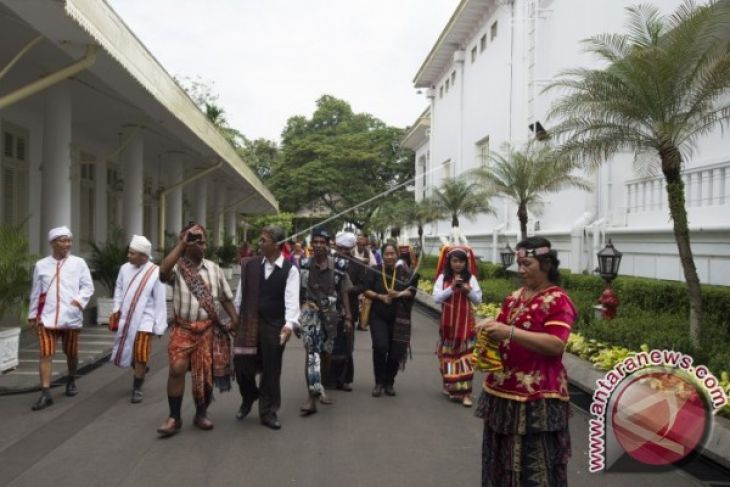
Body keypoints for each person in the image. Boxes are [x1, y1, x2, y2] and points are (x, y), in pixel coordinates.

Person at [474, 237, 576, 487]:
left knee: (535, 462)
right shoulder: (515, 297)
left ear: (546, 264)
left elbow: (556, 344)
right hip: (502, 390)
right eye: (519, 264)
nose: (520, 270)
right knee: (499, 458)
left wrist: (509, 332)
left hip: (538, 396)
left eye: (527, 264)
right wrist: (489, 328)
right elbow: (503, 327)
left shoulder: (557, 300)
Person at [156, 223, 238, 437]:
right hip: (183, 329)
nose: (203, 246)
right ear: (186, 243)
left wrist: (235, 319)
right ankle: (174, 417)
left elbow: (225, 297)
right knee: (176, 369)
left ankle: (201, 413)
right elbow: (162, 273)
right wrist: (181, 245)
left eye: (204, 241)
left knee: (206, 373)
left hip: (208, 329)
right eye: (197, 241)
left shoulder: (214, 268)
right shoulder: (178, 267)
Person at [233, 225, 300, 430]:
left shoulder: (290, 270)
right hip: (249, 322)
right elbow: (240, 296)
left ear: (277, 245)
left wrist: (289, 325)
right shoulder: (250, 266)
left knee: (271, 370)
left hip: (274, 326)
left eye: (264, 240)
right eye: (260, 240)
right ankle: (249, 395)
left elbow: (292, 301)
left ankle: (268, 411)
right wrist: (235, 318)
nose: (259, 244)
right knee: (241, 365)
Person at [28, 226, 94, 410]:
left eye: (69, 241)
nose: (67, 244)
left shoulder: (79, 263)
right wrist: (33, 315)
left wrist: (78, 302)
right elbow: (36, 292)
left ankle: (71, 379)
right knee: (45, 354)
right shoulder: (41, 265)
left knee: (71, 353)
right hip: (46, 318)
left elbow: (88, 287)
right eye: (62, 240)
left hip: (69, 318)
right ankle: (45, 393)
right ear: (52, 243)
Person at [297, 228, 352, 415]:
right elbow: (298, 293)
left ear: (329, 245)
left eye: (323, 242)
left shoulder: (339, 266)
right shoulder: (303, 264)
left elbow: (344, 291)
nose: (319, 245)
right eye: (316, 242)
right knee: (312, 355)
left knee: (326, 356)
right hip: (309, 312)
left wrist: (349, 317)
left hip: (331, 315)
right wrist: (296, 318)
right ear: (311, 245)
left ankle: (320, 387)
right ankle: (310, 398)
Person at [109, 235, 167, 403]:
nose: (129, 255)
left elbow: (160, 300)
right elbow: (118, 289)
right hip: (126, 317)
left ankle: (137, 387)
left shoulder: (155, 272)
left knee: (141, 352)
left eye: (132, 253)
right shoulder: (124, 269)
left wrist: (159, 325)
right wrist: (116, 309)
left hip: (145, 320)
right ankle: (140, 368)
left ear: (143, 256)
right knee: (131, 351)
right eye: (129, 252)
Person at [363, 242, 417, 397]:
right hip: (378, 316)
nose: (389, 256)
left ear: (397, 255)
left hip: (399, 318)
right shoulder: (375, 270)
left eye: (392, 253)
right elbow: (365, 289)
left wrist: (397, 295)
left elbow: (412, 291)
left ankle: (389, 381)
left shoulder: (404, 272)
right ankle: (379, 382)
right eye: (386, 253)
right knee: (380, 347)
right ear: (382, 255)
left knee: (396, 351)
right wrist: (380, 296)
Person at [432, 246, 482, 407]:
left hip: (466, 326)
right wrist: (452, 288)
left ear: (465, 262)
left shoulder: (471, 278)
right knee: (448, 359)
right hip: (448, 327)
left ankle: (466, 394)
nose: (458, 264)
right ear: (449, 262)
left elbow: (478, 300)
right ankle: (451, 386)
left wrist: (468, 290)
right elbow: (437, 299)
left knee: (466, 360)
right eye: (455, 261)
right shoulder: (442, 278)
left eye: (461, 261)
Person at [329, 231, 370, 391]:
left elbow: (364, 285)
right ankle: (329, 377)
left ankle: (345, 379)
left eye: (347, 249)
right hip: (329, 310)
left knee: (347, 345)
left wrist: (349, 290)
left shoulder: (358, 264)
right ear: (335, 246)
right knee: (329, 344)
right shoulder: (328, 262)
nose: (344, 252)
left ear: (352, 248)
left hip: (349, 310)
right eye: (341, 248)